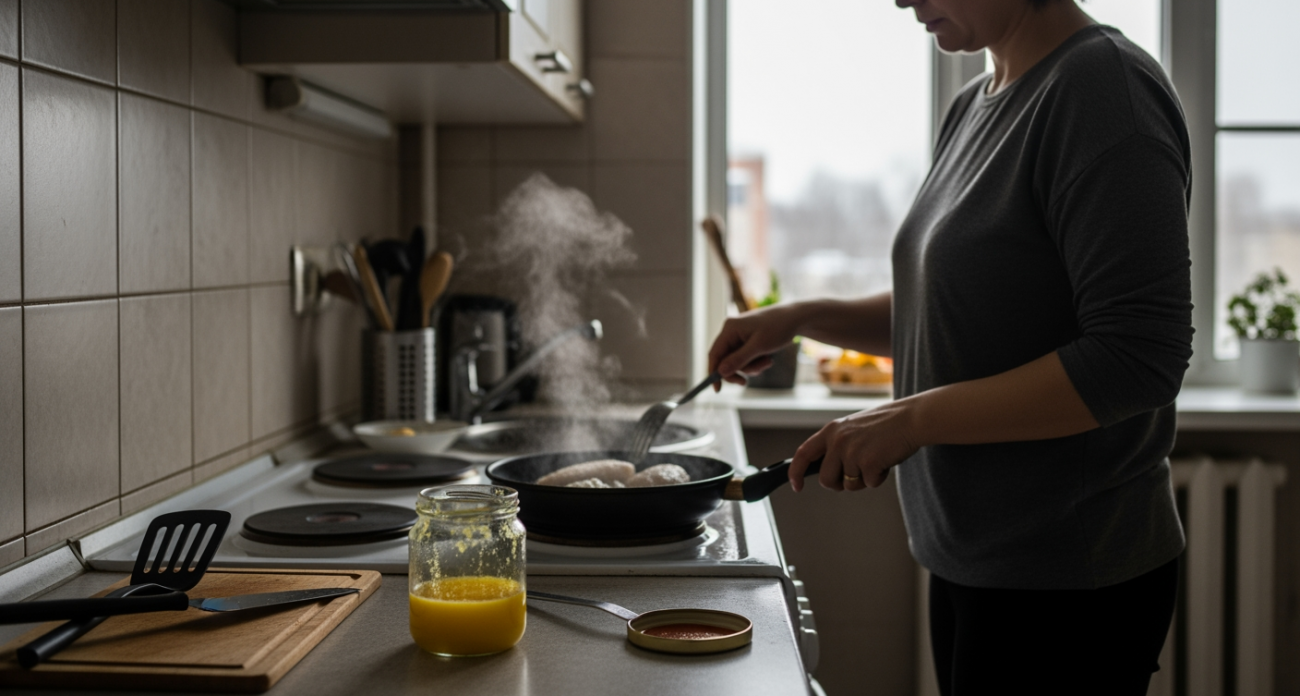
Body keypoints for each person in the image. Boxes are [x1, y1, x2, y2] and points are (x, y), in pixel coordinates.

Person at [707, 0, 1193, 693]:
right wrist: (802, 316)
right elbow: (955, 303)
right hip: (972, 558)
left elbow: (1139, 356)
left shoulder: (1104, 90)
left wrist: (909, 419)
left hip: (1066, 578)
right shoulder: (975, 103)